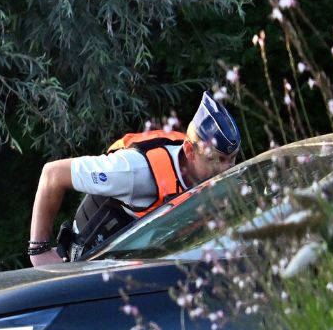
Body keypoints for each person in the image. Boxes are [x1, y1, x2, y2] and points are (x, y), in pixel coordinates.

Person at [26, 91, 242, 266]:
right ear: (190, 151)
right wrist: (39, 250)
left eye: (232, 159)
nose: (227, 168)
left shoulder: (210, 171)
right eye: (217, 160)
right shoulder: (133, 171)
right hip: (85, 263)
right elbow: (53, 174)